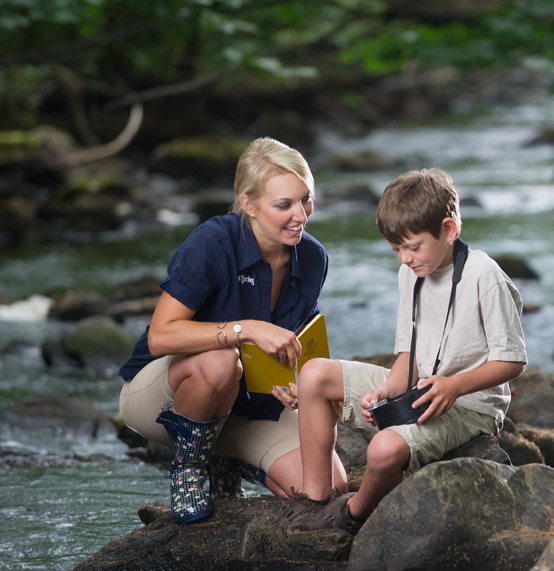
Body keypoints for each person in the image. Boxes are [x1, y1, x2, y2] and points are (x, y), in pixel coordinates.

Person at [279, 168, 527, 534]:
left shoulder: (483, 275)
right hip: (421, 389)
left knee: (381, 450)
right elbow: (409, 356)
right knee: (314, 373)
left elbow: (512, 361)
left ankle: (351, 515)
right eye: (396, 249)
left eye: (412, 247)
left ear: (449, 230)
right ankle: (315, 501)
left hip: (469, 406)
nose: (405, 259)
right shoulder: (409, 273)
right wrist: (386, 391)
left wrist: (454, 386)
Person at [118, 137, 347, 525]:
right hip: (165, 394)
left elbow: (301, 341)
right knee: (220, 361)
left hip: (248, 405)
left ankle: (231, 463)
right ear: (248, 205)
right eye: (284, 205)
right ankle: (191, 469)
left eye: (305, 199)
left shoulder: (312, 257)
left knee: (328, 491)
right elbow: (161, 336)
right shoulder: (212, 242)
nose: (301, 215)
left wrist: (299, 385)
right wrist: (247, 329)